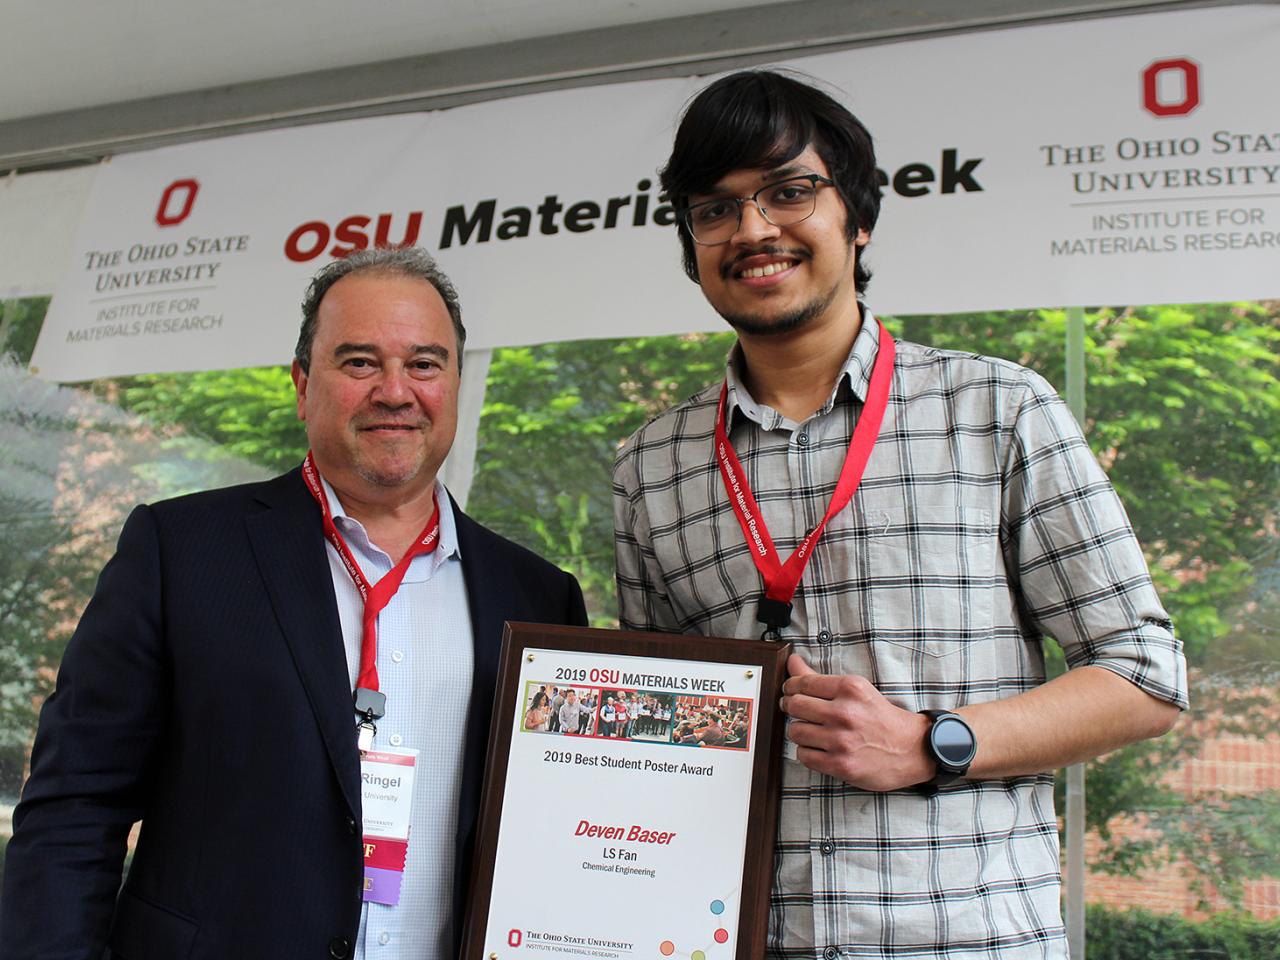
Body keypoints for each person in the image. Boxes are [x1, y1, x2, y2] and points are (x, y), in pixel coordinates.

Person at [612, 70, 1188, 958]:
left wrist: (933, 742)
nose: (753, 229)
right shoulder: (652, 463)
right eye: (715, 209)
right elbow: (660, 737)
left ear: (859, 216)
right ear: (692, 246)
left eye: (789, 191)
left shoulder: (999, 409)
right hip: (737, 937)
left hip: (968, 939)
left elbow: (1145, 675)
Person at [2, 246, 587, 960]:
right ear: (302, 383)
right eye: (360, 362)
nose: (395, 391)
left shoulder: (539, 597)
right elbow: (76, 808)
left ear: (456, 384)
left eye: (425, 364)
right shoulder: (180, 552)